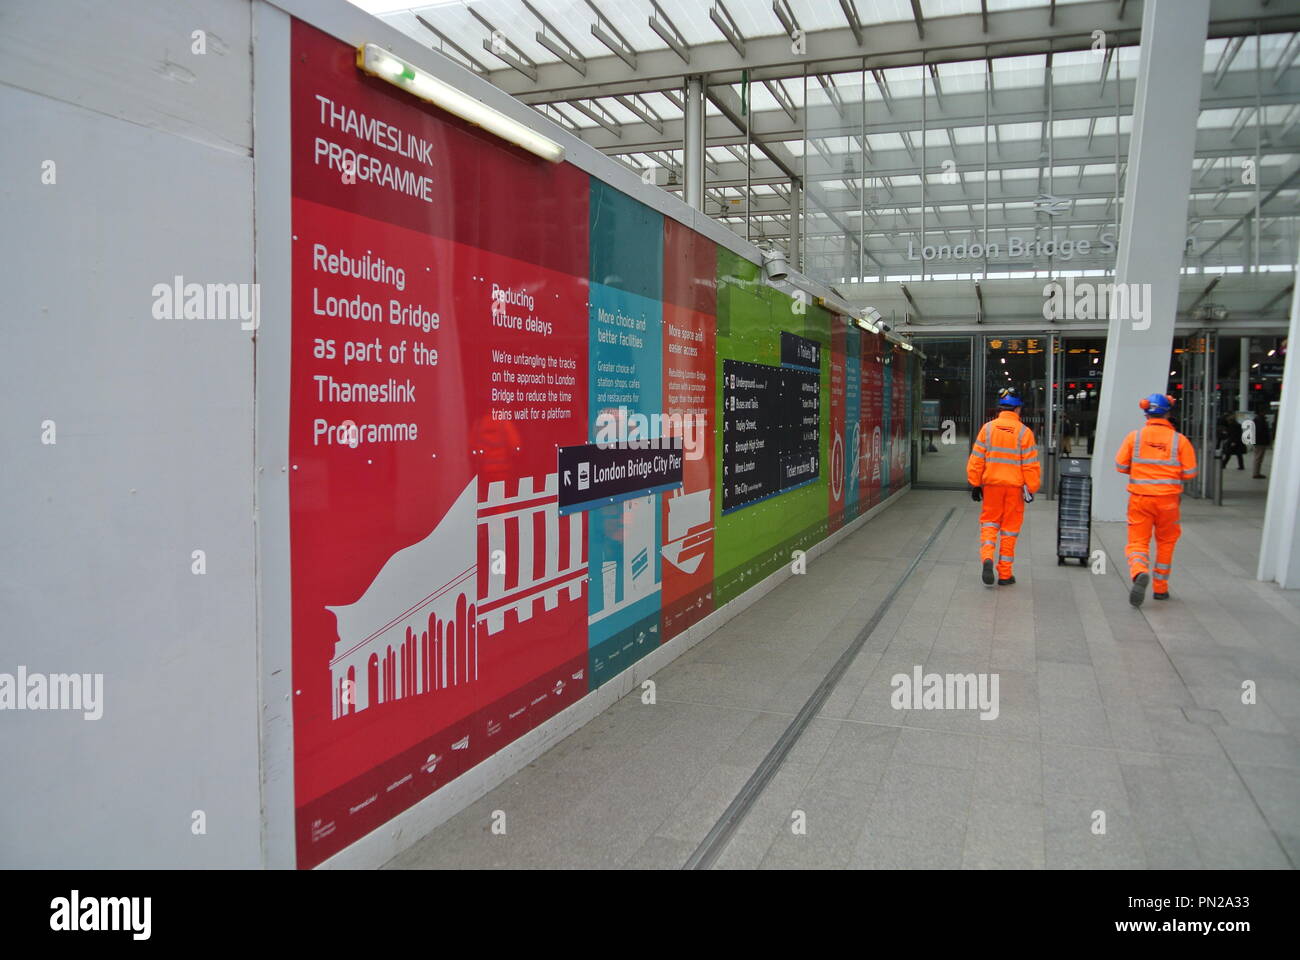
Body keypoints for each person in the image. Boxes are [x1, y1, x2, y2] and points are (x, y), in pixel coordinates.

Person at [1114, 394, 1197, 607]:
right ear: (1168, 412)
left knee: (1138, 542)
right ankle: (1160, 588)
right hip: (1169, 502)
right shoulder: (1180, 440)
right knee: (1166, 542)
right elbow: (1190, 472)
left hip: (1140, 499)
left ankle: (1139, 571)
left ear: (1146, 412)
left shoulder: (1135, 437)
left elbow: (1121, 466)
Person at [967, 387, 1041, 586]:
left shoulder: (987, 429)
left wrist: (975, 483)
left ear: (1000, 409)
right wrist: (1031, 488)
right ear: (1017, 410)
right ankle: (1005, 574)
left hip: (991, 486)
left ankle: (987, 558)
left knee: (990, 523)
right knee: (1009, 530)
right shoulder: (1025, 433)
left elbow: (976, 459)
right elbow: (1031, 465)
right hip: (1014, 490)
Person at [1250, 405, 1272, 479]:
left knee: (1258, 457)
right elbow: (1260, 431)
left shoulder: (1257, 419)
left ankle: (1257, 472)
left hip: (1258, 441)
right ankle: (1256, 473)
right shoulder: (1260, 420)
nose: (1265, 413)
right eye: (1264, 411)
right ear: (1261, 412)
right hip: (1260, 442)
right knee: (1258, 458)